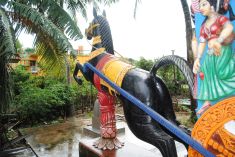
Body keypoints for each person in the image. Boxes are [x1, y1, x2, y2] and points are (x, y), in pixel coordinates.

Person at [193, 0, 235, 115]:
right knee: (206, 72)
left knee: (222, 72)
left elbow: (229, 28)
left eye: (204, 4)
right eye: (200, 5)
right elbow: (202, 43)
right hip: (210, 54)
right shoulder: (203, 26)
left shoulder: (220, 19)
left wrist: (219, 41)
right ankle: (207, 101)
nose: (201, 8)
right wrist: (198, 58)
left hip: (221, 50)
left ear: (212, 5)